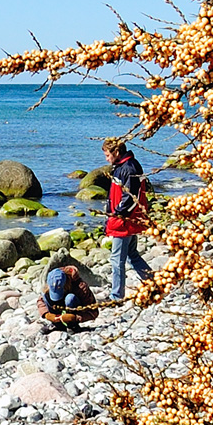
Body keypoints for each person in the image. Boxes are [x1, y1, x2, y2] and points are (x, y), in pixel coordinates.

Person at [102, 138, 152, 301]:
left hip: (124, 222)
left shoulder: (128, 168)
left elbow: (130, 197)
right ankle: (153, 282)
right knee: (132, 254)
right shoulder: (124, 167)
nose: (106, 158)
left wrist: (116, 215)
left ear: (116, 153)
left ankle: (116, 296)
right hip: (125, 220)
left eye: (108, 155)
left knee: (117, 260)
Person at [37, 266, 97, 332]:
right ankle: (57, 325)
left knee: (70, 298)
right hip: (58, 306)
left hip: (73, 305)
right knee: (45, 295)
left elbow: (94, 312)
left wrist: (74, 317)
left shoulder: (81, 287)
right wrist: (47, 314)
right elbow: (41, 301)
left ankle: (72, 326)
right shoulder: (52, 279)